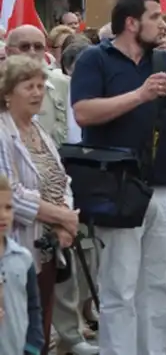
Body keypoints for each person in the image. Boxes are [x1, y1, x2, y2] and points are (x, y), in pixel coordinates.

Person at [70, 0, 166, 355]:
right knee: (120, 287)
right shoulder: (94, 60)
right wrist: (140, 95)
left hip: (161, 185)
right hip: (116, 183)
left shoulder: (163, 60)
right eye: (155, 18)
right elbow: (83, 113)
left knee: (160, 286)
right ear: (131, 23)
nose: (162, 25)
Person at [0, 55, 97, 355]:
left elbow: (60, 178)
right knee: (20, 325)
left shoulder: (39, 130)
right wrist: (62, 217)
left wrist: (64, 219)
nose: (37, 92)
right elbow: (10, 191)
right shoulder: (3, 133)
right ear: (7, 94)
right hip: (19, 240)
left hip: (48, 241)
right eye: (28, 86)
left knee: (40, 319)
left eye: (41, 85)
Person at [0, 174, 44, 355]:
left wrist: (32, 346)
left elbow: (33, 305)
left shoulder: (23, 258)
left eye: (8, 207)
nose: (3, 215)